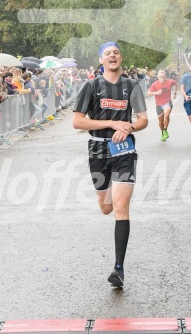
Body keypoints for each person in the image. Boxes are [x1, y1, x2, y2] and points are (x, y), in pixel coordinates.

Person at [73, 42, 148, 288]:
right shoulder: (91, 86)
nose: (112, 55)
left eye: (116, 52)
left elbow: (143, 119)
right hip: (97, 149)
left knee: (120, 206)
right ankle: (110, 202)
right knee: (106, 208)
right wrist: (112, 124)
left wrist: (128, 127)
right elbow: (78, 122)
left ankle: (118, 268)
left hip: (124, 149)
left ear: (120, 58)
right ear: (101, 60)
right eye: (108, 53)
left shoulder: (132, 86)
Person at [147, 69, 178, 141]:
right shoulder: (155, 84)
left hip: (167, 102)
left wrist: (175, 93)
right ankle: (163, 132)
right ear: (158, 77)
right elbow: (148, 93)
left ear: (166, 76)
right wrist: (156, 93)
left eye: (163, 77)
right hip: (159, 104)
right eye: (160, 77)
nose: (162, 78)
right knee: (160, 121)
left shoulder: (170, 82)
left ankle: (165, 129)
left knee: (166, 115)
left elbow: (176, 83)